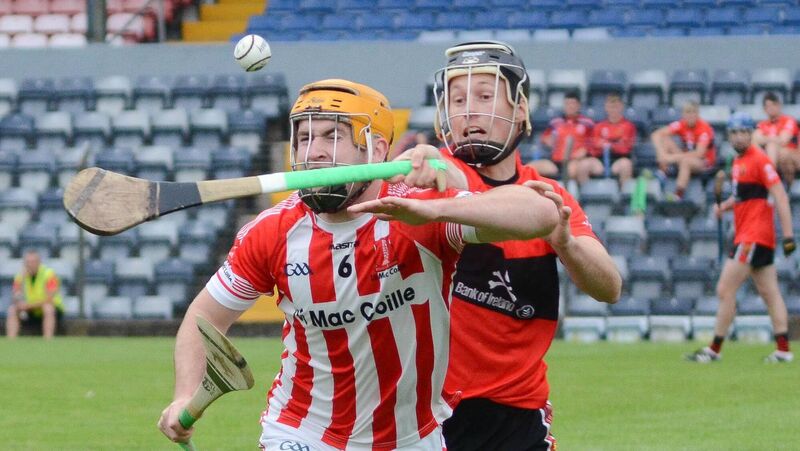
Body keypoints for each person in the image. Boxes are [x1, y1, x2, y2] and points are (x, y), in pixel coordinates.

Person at [157, 79, 559, 449]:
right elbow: (203, 317)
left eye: (333, 136)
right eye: (304, 137)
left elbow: (541, 215)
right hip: (303, 431)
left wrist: (441, 209)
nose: (313, 151)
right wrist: (181, 395)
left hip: (413, 437)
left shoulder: (419, 213)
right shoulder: (272, 232)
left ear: (377, 150)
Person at [421, 40, 621, 450]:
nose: (469, 110)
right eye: (457, 100)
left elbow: (609, 287)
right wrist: (425, 157)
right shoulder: (436, 178)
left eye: (483, 95)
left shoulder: (549, 196)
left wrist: (564, 242)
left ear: (520, 110)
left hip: (520, 415)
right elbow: (444, 170)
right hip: (431, 414)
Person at [686, 112, 796, 364]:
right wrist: (724, 206)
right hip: (752, 235)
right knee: (770, 293)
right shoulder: (738, 162)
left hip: (753, 235)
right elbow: (744, 196)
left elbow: (779, 195)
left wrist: (788, 236)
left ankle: (714, 349)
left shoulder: (759, 160)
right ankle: (783, 350)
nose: (739, 137)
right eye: (734, 133)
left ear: (751, 134)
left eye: (744, 132)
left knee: (725, 289)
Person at [651, 101, 716, 199]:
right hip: (686, 155)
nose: (690, 115)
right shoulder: (682, 124)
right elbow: (656, 135)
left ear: (698, 114)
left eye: (693, 112)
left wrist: (672, 158)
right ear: (683, 114)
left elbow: (699, 154)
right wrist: (662, 154)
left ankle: (678, 194)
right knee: (665, 139)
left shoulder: (704, 128)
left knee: (686, 162)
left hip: (704, 162)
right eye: (687, 112)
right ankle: (662, 173)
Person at [529, 91, 596, 184]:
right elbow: (544, 137)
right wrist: (547, 140)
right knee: (531, 168)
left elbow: (594, 142)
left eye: (573, 104)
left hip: (574, 160)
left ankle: (570, 195)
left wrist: (585, 151)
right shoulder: (556, 122)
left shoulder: (587, 123)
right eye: (567, 104)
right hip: (555, 161)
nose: (570, 106)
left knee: (570, 171)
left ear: (578, 105)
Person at [5, 250, 64, 339]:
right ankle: (11, 339)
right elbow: (15, 296)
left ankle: (48, 339)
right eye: (28, 262)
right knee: (12, 309)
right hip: (30, 310)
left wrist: (28, 306)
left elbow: (49, 299)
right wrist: (19, 301)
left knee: (48, 308)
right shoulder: (20, 276)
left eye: (33, 262)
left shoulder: (49, 274)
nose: (30, 265)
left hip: (48, 308)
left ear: (39, 262)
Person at [587, 93, 636, 186]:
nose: (613, 110)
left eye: (616, 107)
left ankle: (623, 196)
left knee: (626, 165)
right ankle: (585, 194)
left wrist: (608, 144)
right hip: (600, 160)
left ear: (621, 107)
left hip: (619, 159)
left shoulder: (628, 126)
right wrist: (614, 143)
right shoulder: (599, 126)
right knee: (584, 165)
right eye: (611, 107)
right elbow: (594, 147)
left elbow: (625, 147)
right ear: (606, 108)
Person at [753, 92, 799, 186]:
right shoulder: (762, 124)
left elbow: (784, 140)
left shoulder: (788, 120)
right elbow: (754, 139)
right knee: (756, 147)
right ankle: (770, 179)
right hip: (773, 157)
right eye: (767, 106)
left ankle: (769, 181)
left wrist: (766, 139)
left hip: (792, 155)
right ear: (764, 109)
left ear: (779, 105)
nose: (771, 108)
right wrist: (773, 139)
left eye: (773, 105)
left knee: (774, 148)